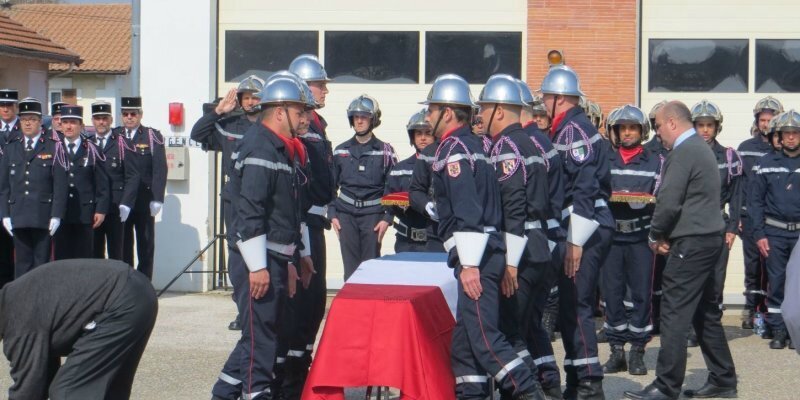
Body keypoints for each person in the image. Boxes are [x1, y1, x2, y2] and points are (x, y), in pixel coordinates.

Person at [423, 73, 542, 400]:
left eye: (432, 110)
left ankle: (529, 391)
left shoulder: (454, 150)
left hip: (477, 258)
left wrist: (470, 265)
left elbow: (468, 210)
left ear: (447, 113)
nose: (427, 117)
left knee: (486, 341)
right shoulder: (478, 145)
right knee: (464, 345)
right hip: (485, 254)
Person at [624, 101, 736, 400]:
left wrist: (655, 233)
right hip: (708, 239)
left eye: (658, 126)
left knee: (674, 314)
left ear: (672, 122)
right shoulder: (701, 149)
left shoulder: (684, 152)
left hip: (693, 243)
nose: (657, 134)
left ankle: (666, 386)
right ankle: (723, 379)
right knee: (705, 313)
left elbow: (669, 200)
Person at [210, 75, 306, 400]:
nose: (304, 117)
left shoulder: (278, 148)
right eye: (299, 110)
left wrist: (290, 259)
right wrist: (257, 267)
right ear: (279, 111)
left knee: (259, 336)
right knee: (261, 341)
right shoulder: (261, 146)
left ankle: (223, 393)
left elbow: (283, 213)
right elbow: (250, 210)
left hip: (273, 258)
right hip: (257, 260)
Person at [479, 74, 552, 400]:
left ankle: (530, 393)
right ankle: (546, 386)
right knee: (525, 330)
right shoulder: (532, 142)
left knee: (509, 335)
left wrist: (510, 263)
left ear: (498, 110)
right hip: (539, 249)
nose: (479, 115)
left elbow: (513, 206)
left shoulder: (506, 147)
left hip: (520, 253)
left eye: (483, 108)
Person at [542, 65, 613, 400]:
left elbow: (584, 186)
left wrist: (575, 241)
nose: (542, 103)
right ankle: (576, 377)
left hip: (584, 227)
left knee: (578, 305)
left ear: (558, 98)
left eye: (545, 98)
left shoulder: (573, 131)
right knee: (571, 305)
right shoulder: (570, 128)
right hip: (582, 225)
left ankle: (588, 383)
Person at [0, 258, 157, 400]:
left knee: (68, 391)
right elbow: (43, 375)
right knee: (110, 391)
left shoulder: (17, 319)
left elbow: (28, 390)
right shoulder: (16, 297)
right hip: (138, 291)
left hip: (121, 301)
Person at [191, 75, 263, 331]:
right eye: (247, 97)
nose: (252, 101)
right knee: (236, 262)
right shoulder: (229, 124)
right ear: (240, 101)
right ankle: (243, 311)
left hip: (261, 201)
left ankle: (256, 314)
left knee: (259, 258)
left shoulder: (268, 126)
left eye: (256, 97)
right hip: (234, 200)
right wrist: (218, 111)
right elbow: (197, 134)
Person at [600, 105, 662, 376]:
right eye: (622, 128)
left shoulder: (656, 161)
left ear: (642, 131)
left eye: (632, 128)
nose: (627, 133)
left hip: (640, 238)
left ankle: (637, 351)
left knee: (640, 295)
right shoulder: (605, 160)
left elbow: (661, 200)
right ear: (614, 132)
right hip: (611, 237)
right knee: (611, 294)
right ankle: (616, 352)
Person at [288, 55, 336, 379]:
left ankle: (300, 366)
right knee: (303, 305)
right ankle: (291, 376)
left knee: (316, 303)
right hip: (303, 222)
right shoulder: (300, 127)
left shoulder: (317, 124)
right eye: (321, 85)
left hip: (317, 222)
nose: (325, 92)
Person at [518, 79, 564, 396]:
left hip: (527, 245)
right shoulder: (545, 142)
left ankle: (529, 382)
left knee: (515, 322)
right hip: (549, 242)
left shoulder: (519, 144)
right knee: (532, 321)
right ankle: (549, 376)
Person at [749, 109, 800, 350]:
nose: (791, 138)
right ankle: (779, 330)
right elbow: (755, 202)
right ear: (778, 136)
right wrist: (759, 234)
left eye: (795, 133)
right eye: (786, 133)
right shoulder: (765, 163)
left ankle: (795, 331)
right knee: (777, 282)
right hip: (775, 234)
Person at [329, 95, 396, 279]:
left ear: (373, 119)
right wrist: (332, 213)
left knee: (371, 269)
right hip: (346, 216)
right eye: (355, 117)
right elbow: (330, 186)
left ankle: (370, 308)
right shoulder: (341, 150)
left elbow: (393, 189)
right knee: (350, 270)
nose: (359, 120)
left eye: (364, 116)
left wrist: (387, 218)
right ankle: (350, 307)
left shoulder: (386, 152)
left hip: (373, 217)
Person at [0, 98, 67, 277]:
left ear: (40, 122)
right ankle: (22, 303)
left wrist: (57, 215)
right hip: (18, 214)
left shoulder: (53, 147)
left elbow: (60, 186)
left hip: (42, 215)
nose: (27, 123)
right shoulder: (11, 148)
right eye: (24, 119)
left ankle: (40, 303)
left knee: (41, 265)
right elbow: (4, 186)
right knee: (21, 265)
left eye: (32, 119)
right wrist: (5, 214)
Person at [738, 96, 784, 329]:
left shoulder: (783, 149)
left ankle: (769, 310)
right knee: (752, 264)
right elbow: (740, 186)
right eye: (763, 119)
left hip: (775, 219)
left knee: (773, 267)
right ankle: (750, 307)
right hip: (749, 216)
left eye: (771, 119)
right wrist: (738, 215)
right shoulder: (746, 149)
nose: (766, 124)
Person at [113, 97, 167, 280]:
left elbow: (160, 168)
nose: (129, 117)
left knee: (145, 244)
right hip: (122, 201)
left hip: (145, 198)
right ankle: (127, 284)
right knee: (124, 245)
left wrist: (158, 197)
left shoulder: (152, 136)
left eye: (133, 114)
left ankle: (144, 283)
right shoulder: (115, 135)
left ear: (140, 115)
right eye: (125, 114)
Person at [53, 105, 110, 260]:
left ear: (81, 126)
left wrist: (101, 210)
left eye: (73, 122)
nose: (69, 126)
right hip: (60, 213)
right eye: (65, 122)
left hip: (85, 213)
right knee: (61, 258)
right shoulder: (54, 149)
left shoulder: (92, 149)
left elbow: (102, 184)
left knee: (83, 257)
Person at [385, 109, 440, 252]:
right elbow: (388, 201)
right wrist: (397, 206)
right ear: (412, 137)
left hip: (435, 242)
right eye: (418, 133)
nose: (423, 138)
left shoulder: (444, 164)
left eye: (427, 133)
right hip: (406, 243)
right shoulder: (399, 169)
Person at [91, 101, 139, 260]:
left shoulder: (122, 143)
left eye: (105, 118)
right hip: (95, 207)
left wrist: (126, 202)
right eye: (98, 118)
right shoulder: (88, 143)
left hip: (116, 206)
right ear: (93, 121)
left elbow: (132, 176)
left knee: (117, 252)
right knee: (94, 252)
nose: (101, 122)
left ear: (111, 120)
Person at [0, 89, 18, 287]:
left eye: (9, 105)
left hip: (19, 197)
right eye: (2, 105)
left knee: (19, 249)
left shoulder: (24, 130)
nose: (5, 109)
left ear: (16, 107)